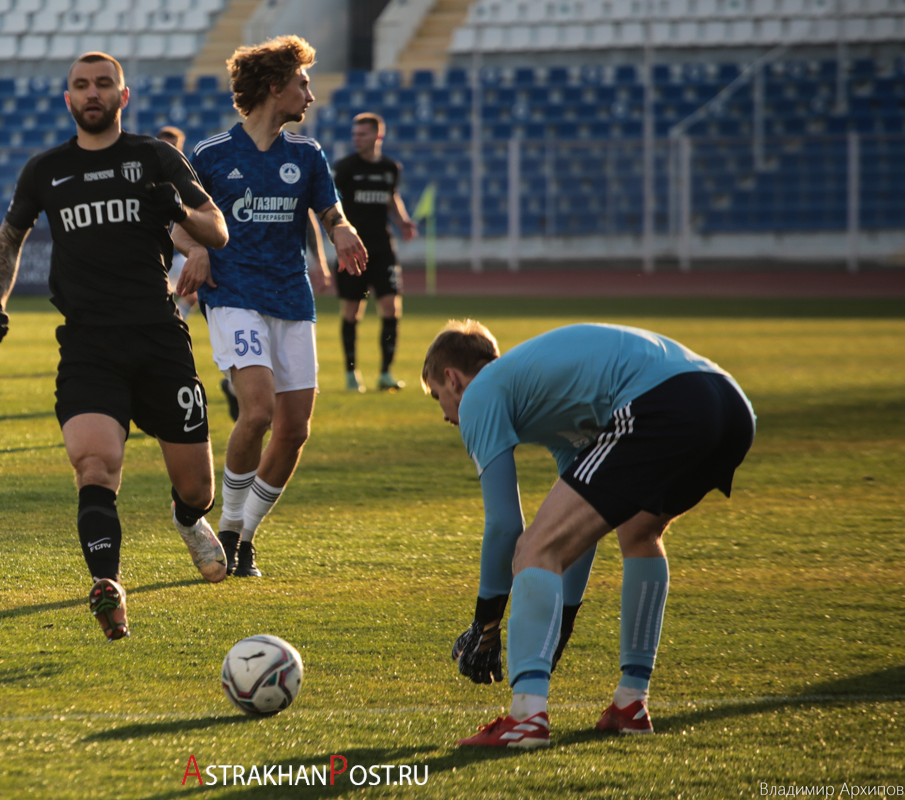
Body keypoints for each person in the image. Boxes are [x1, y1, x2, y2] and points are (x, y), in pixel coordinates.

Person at [0, 52, 231, 642]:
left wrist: (178, 209)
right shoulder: (46, 169)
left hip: (159, 340)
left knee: (198, 487)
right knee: (94, 464)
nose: (91, 93)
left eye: (103, 84)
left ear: (123, 96)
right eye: (80, 85)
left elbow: (216, 229)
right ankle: (108, 584)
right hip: (89, 345)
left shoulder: (154, 157)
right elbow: (9, 238)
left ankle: (187, 519)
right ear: (68, 99)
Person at [422, 320, 755, 748]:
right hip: (729, 406)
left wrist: (485, 622)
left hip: (667, 401)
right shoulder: (552, 404)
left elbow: (506, 526)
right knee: (638, 531)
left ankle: (526, 718)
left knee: (533, 548)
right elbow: (582, 531)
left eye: (438, 398)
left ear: (453, 379)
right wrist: (562, 621)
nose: (449, 415)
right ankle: (631, 703)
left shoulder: (481, 391)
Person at [172, 35, 367, 578]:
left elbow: (330, 213)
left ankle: (245, 535)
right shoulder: (211, 155)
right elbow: (177, 222)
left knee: (295, 429)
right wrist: (198, 253)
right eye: (303, 83)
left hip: (291, 298)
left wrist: (344, 232)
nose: (310, 94)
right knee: (256, 410)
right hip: (233, 297)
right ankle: (229, 525)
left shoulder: (306, 154)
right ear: (275, 87)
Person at [331, 113, 416, 392]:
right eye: (355, 134)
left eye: (363, 134)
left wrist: (402, 221)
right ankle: (351, 374)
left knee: (391, 307)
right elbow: (330, 203)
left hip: (382, 248)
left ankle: (385, 373)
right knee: (352, 312)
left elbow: (391, 196)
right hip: (353, 251)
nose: (357, 139)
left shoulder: (391, 168)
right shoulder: (344, 168)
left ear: (378, 136)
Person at [156, 125, 198, 321]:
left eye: (175, 146)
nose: (171, 150)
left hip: (179, 251)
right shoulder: (144, 175)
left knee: (200, 286)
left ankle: (179, 319)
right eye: (167, 146)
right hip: (154, 251)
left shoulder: (187, 178)